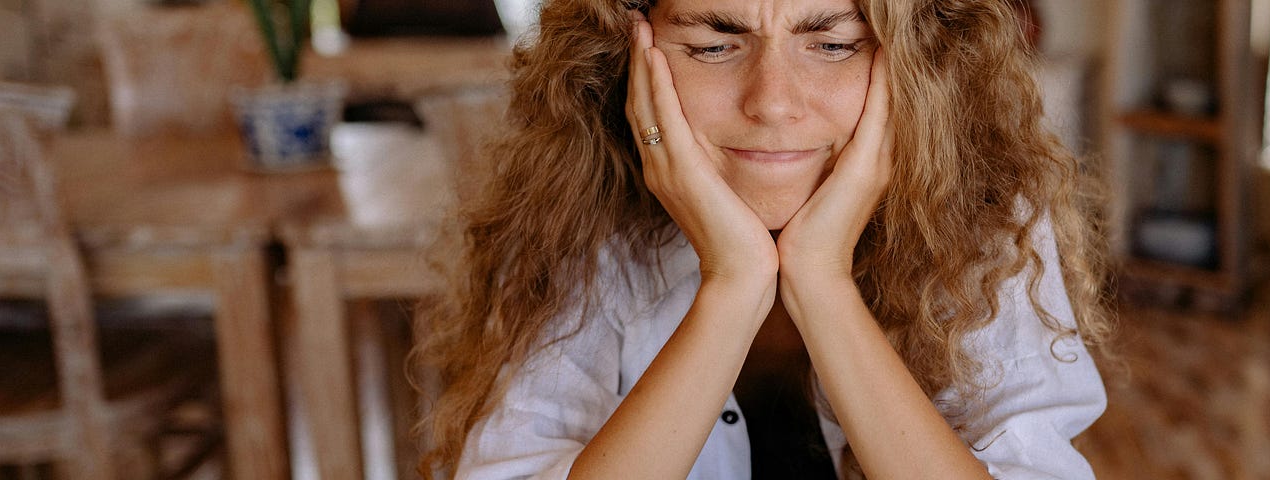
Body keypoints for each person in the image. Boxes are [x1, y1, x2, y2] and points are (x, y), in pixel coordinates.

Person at [416, 0, 1110, 478]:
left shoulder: (988, 217)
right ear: (629, 53)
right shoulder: (573, 214)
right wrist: (734, 284)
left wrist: (821, 283)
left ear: (917, 62)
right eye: (715, 45)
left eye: (834, 44)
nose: (774, 101)